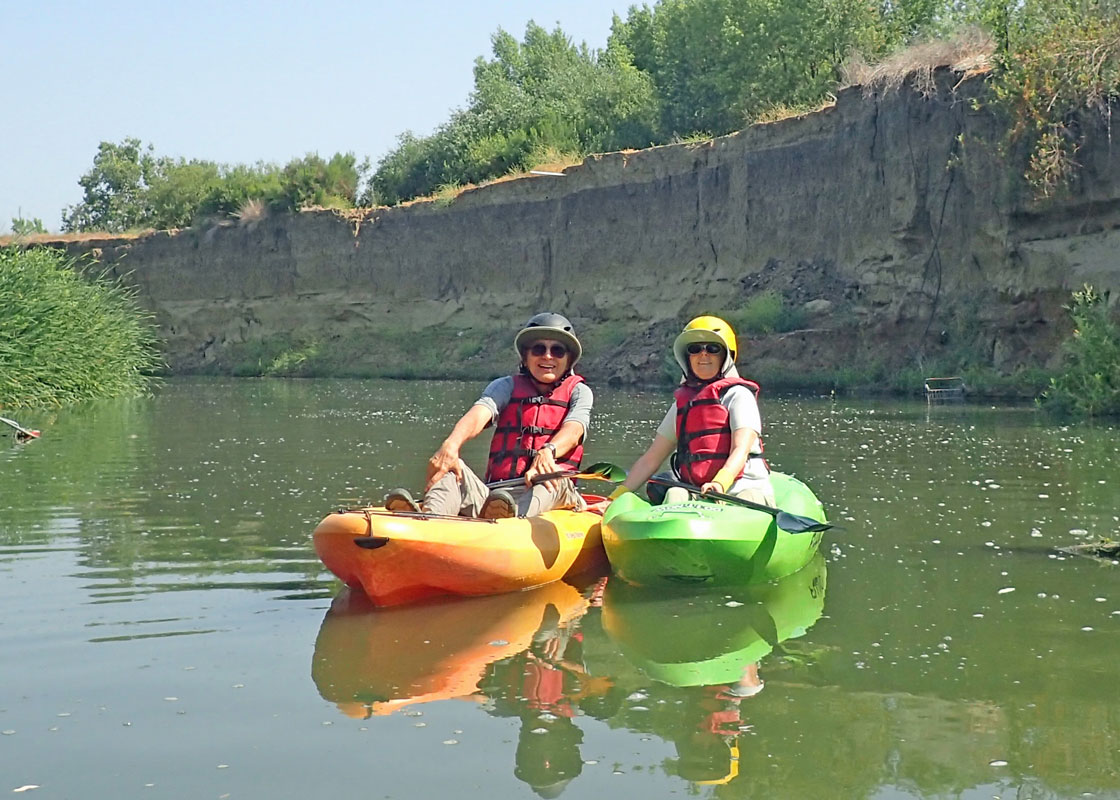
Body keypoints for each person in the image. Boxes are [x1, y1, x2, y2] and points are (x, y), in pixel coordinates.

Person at [385, 312, 593, 519]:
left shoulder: (579, 392)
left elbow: (575, 429)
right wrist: (451, 446)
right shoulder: (506, 386)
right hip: (496, 497)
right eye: (539, 349)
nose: (547, 356)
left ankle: (508, 525)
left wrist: (548, 451)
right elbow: (479, 413)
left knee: (550, 479)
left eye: (557, 351)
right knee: (452, 470)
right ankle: (428, 522)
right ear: (526, 356)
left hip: (555, 490)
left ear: (568, 360)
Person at [601, 315, 774, 507]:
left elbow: (740, 449)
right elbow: (651, 459)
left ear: (725, 355)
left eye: (713, 349)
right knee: (675, 493)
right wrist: (615, 497)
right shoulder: (684, 404)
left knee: (747, 499)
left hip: (741, 489)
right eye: (695, 349)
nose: (703, 355)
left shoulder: (739, 395)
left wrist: (719, 483)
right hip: (699, 492)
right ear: (687, 357)